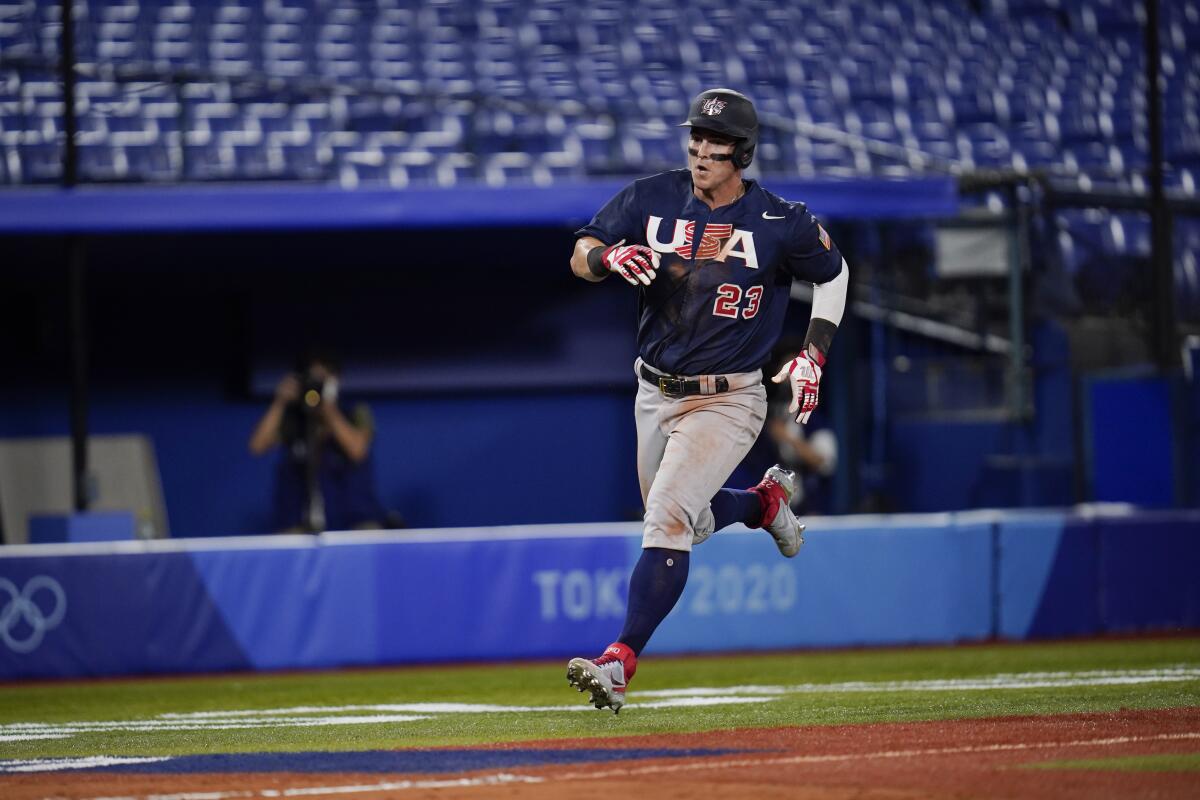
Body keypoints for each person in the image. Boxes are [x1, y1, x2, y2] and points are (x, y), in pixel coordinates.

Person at [565, 88, 849, 713]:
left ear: (742, 153)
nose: (699, 154)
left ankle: (620, 660)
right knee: (685, 521)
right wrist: (609, 256)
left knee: (666, 518)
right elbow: (580, 253)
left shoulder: (779, 220)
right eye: (695, 140)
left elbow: (834, 273)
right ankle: (761, 504)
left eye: (715, 147)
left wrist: (814, 352)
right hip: (653, 388)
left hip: (729, 397)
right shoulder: (653, 196)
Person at [248, 350, 386, 533]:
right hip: (298, 522)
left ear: (336, 380)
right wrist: (280, 402)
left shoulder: (355, 412)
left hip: (354, 521)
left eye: (322, 380)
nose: (316, 387)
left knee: (371, 532)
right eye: (311, 379)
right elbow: (257, 445)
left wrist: (327, 409)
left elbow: (357, 450)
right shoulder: (293, 419)